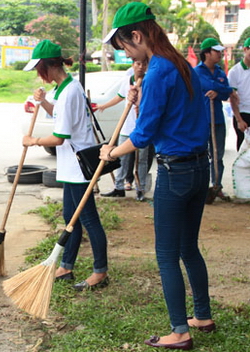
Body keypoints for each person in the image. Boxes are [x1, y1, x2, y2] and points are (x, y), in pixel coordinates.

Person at [100, 3, 214, 350]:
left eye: (125, 47)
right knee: (188, 247)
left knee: (166, 253)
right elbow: (169, 117)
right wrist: (137, 99)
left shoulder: (159, 70)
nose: (126, 53)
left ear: (137, 35)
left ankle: (180, 331)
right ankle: (203, 316)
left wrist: (111, 151)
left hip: (175, 172)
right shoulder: (182, 64)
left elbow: (143, 136)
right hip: (199, 168)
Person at [22, 40, 109, 291]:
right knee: (71, 218)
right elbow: (59, 115)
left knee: (89, 219)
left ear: (48, 66)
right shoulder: (64, 89)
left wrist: (34, 140)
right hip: (70, 167)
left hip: (79, 166)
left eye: (39, 69)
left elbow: (60, 137)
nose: (40, 75)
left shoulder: (70, 91)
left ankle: (100, 271)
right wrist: (43, 102)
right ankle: (67, 265)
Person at [98, 59, 149, 201]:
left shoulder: (149, 82)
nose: (140, 67)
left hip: (142, 128)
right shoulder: (126, 81)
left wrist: (142, 107)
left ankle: (140, 188)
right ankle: (118, 187)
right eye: (138, 64)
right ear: (133, 65)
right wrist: (104, 106)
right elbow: (119, 97)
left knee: (142, 160)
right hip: (127, 127)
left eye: (143, 64)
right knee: (122, 158)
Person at [194, 38, 233, 200]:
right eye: (216, 51)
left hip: (217, 120)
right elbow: (207, 84)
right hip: (201, 121)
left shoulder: (220, 72)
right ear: (207, 53)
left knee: (218, 155)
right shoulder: (196, 72)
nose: (220, 54)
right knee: (199, 155)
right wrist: (219, 87)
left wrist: (218, 91)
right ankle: (200, 188)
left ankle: (217, 185)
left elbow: (228, 91)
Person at [228, 37, 250, 151]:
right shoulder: (235, 72)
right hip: (243, 115)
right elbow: (232, 97)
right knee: (243, 150)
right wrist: (239, 120)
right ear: (245, 50)